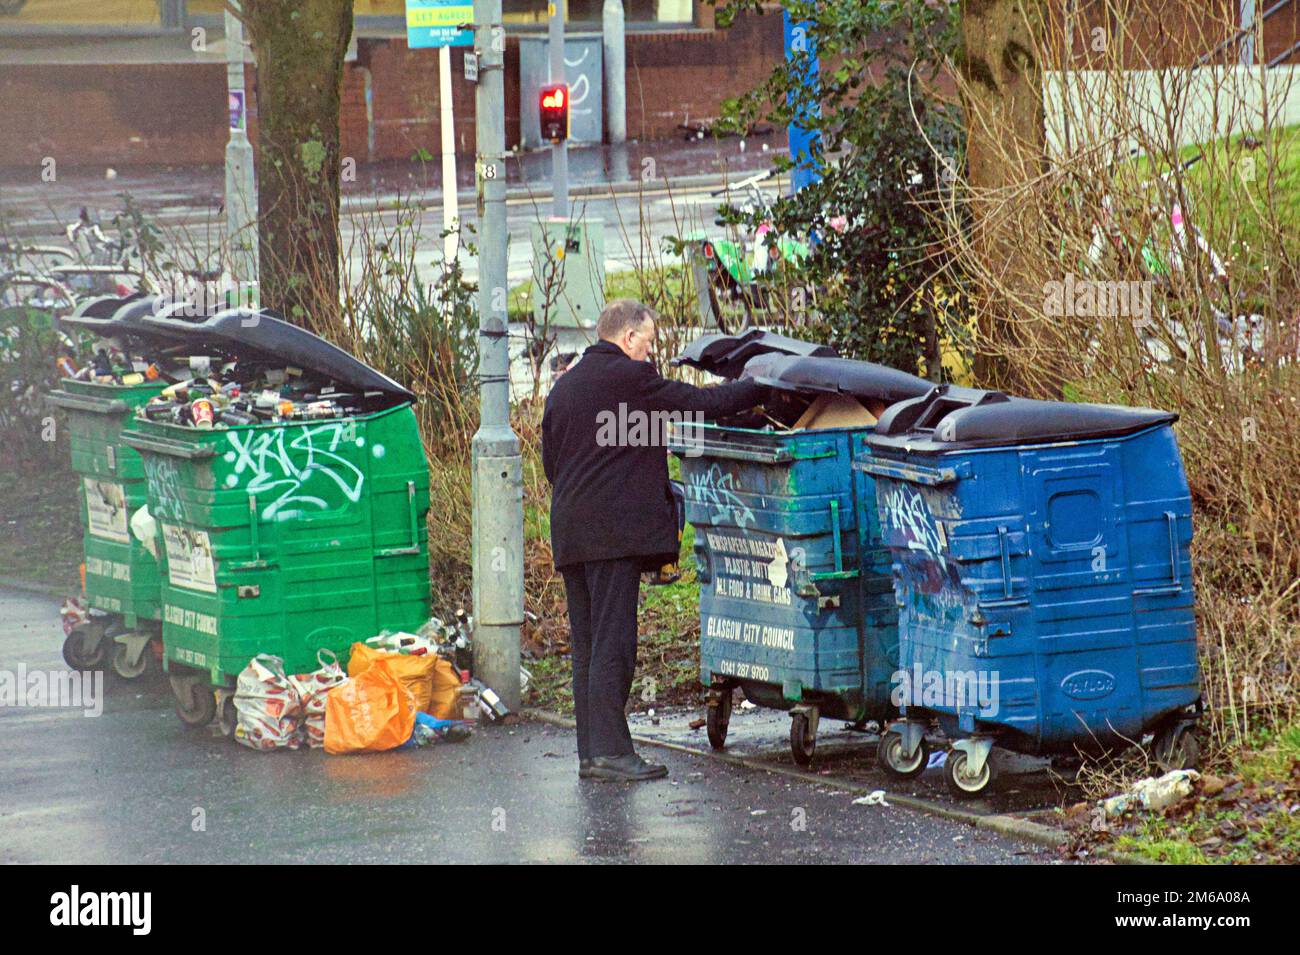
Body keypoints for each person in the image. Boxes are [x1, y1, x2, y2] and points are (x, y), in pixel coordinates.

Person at [542, 300, 768, 782]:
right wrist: (759, 385)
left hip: (571, 533)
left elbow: (551, 465)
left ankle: (592, 753)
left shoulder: (565, 389)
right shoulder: (629, 377)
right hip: (611, 536)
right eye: (647, 343)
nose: (649, 353)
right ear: (627, 339)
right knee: (613, 644)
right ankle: (612, 753)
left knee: (587, 645)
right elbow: (701, 402)